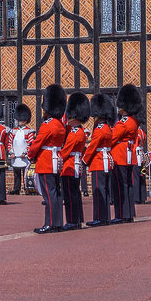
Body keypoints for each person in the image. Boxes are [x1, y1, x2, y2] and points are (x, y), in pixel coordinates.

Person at [30, 85, 67, 233]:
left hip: (46, 161)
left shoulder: (47, 125)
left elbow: (37, 143)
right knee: (56, 193)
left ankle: (50, 223)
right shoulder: (60, 125)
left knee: (48, 194)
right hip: (56, 160)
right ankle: (57, 223)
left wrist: (31, 155)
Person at [111, 84, 141, 224]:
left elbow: (112, 138)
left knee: (120, 186)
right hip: (128, 155)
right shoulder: (133, 121)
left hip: (120, 156)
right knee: (127, 185)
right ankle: (128, 213)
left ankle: (121, 214)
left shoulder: (124, 122)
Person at [84, 94, 114, 227]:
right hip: (107, 161)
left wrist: (85, 160)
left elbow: (92, 147)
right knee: (105, 191)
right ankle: (105, 217)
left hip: (98, 162)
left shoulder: (99, 130)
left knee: (98, 192)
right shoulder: (107, 128)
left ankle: (99, 218)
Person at [61, 92, 89, 231]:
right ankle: (77, 219)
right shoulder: (81, 131)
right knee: (75, 193)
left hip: (69, 165)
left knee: (70, 195)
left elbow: (65, 151)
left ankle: (72, 221)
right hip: (76, 164)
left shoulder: (74, 134)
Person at [9, 104, 34, 196]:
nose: (19, 121)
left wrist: (25, 152)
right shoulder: (13, 131)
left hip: (24, 156)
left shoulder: (29, 131)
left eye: (21, 119)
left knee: (25, 174)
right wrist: (11, 152)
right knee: (16, 174)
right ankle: (16, 188)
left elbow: (30, 143)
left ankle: (27, 188)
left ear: (25, 120)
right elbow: (9, 143)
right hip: (15, 156)